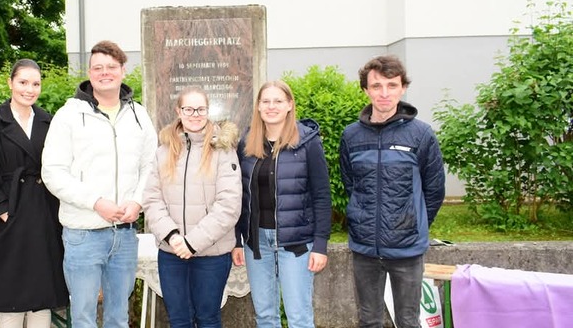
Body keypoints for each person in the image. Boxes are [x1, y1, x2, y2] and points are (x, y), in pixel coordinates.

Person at [41, 40, 158, 328]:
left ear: (122, 71)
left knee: (119, 316)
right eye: (98, 68)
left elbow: (151, 166)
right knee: (83, 317)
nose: (105, 73)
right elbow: (53, 172)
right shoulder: (68, 115)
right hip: (83, 233)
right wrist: (95, 202)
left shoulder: (139, 115)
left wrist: (137, 202)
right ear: (89, 73)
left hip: (125, 234)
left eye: (111, 67)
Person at [339, 55, 445, 328]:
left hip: (407, 249)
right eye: (376, 86)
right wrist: (363, 219)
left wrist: (412, 223)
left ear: (403, 88)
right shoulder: (351, 136)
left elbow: (434, 190)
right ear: (366, 90)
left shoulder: (421, 135)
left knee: (408, 321)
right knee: (368, 321)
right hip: (364, 248)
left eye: (392, 85)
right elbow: (351, 183)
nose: (384, 93)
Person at [0, 59, 68, 328]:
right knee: (11, 296)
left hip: (45, 214)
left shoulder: (50, 122)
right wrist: (1, 210)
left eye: (35, 84)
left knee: (42, 295)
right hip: (9, 215)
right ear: (10, 83)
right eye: (23, 82)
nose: (29, 89)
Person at [232, 80, 332, 328]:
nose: (271, 106)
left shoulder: (307, 142)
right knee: (265, 316)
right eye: (266, 101)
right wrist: (237, 240)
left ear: (289, 105)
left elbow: (321, 195)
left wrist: (320, 244)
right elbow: (240, 196)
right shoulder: (247, 143)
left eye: (278, 101)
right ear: (258, 106)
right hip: (257, 242)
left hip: (296, 243)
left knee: (299, 317)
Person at [142, 87, 242, 328]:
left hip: (211, 254)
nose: (195, 115)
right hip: (172, 252)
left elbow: (229, 205)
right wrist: (173, 236)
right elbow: (152, 199)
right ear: (179, 111)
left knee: (208, 319)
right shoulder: (163, 151)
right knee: (179, 320)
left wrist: (192, 243)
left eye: (200, 109)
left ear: (208, 111)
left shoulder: (223, 150)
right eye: (189, 109)